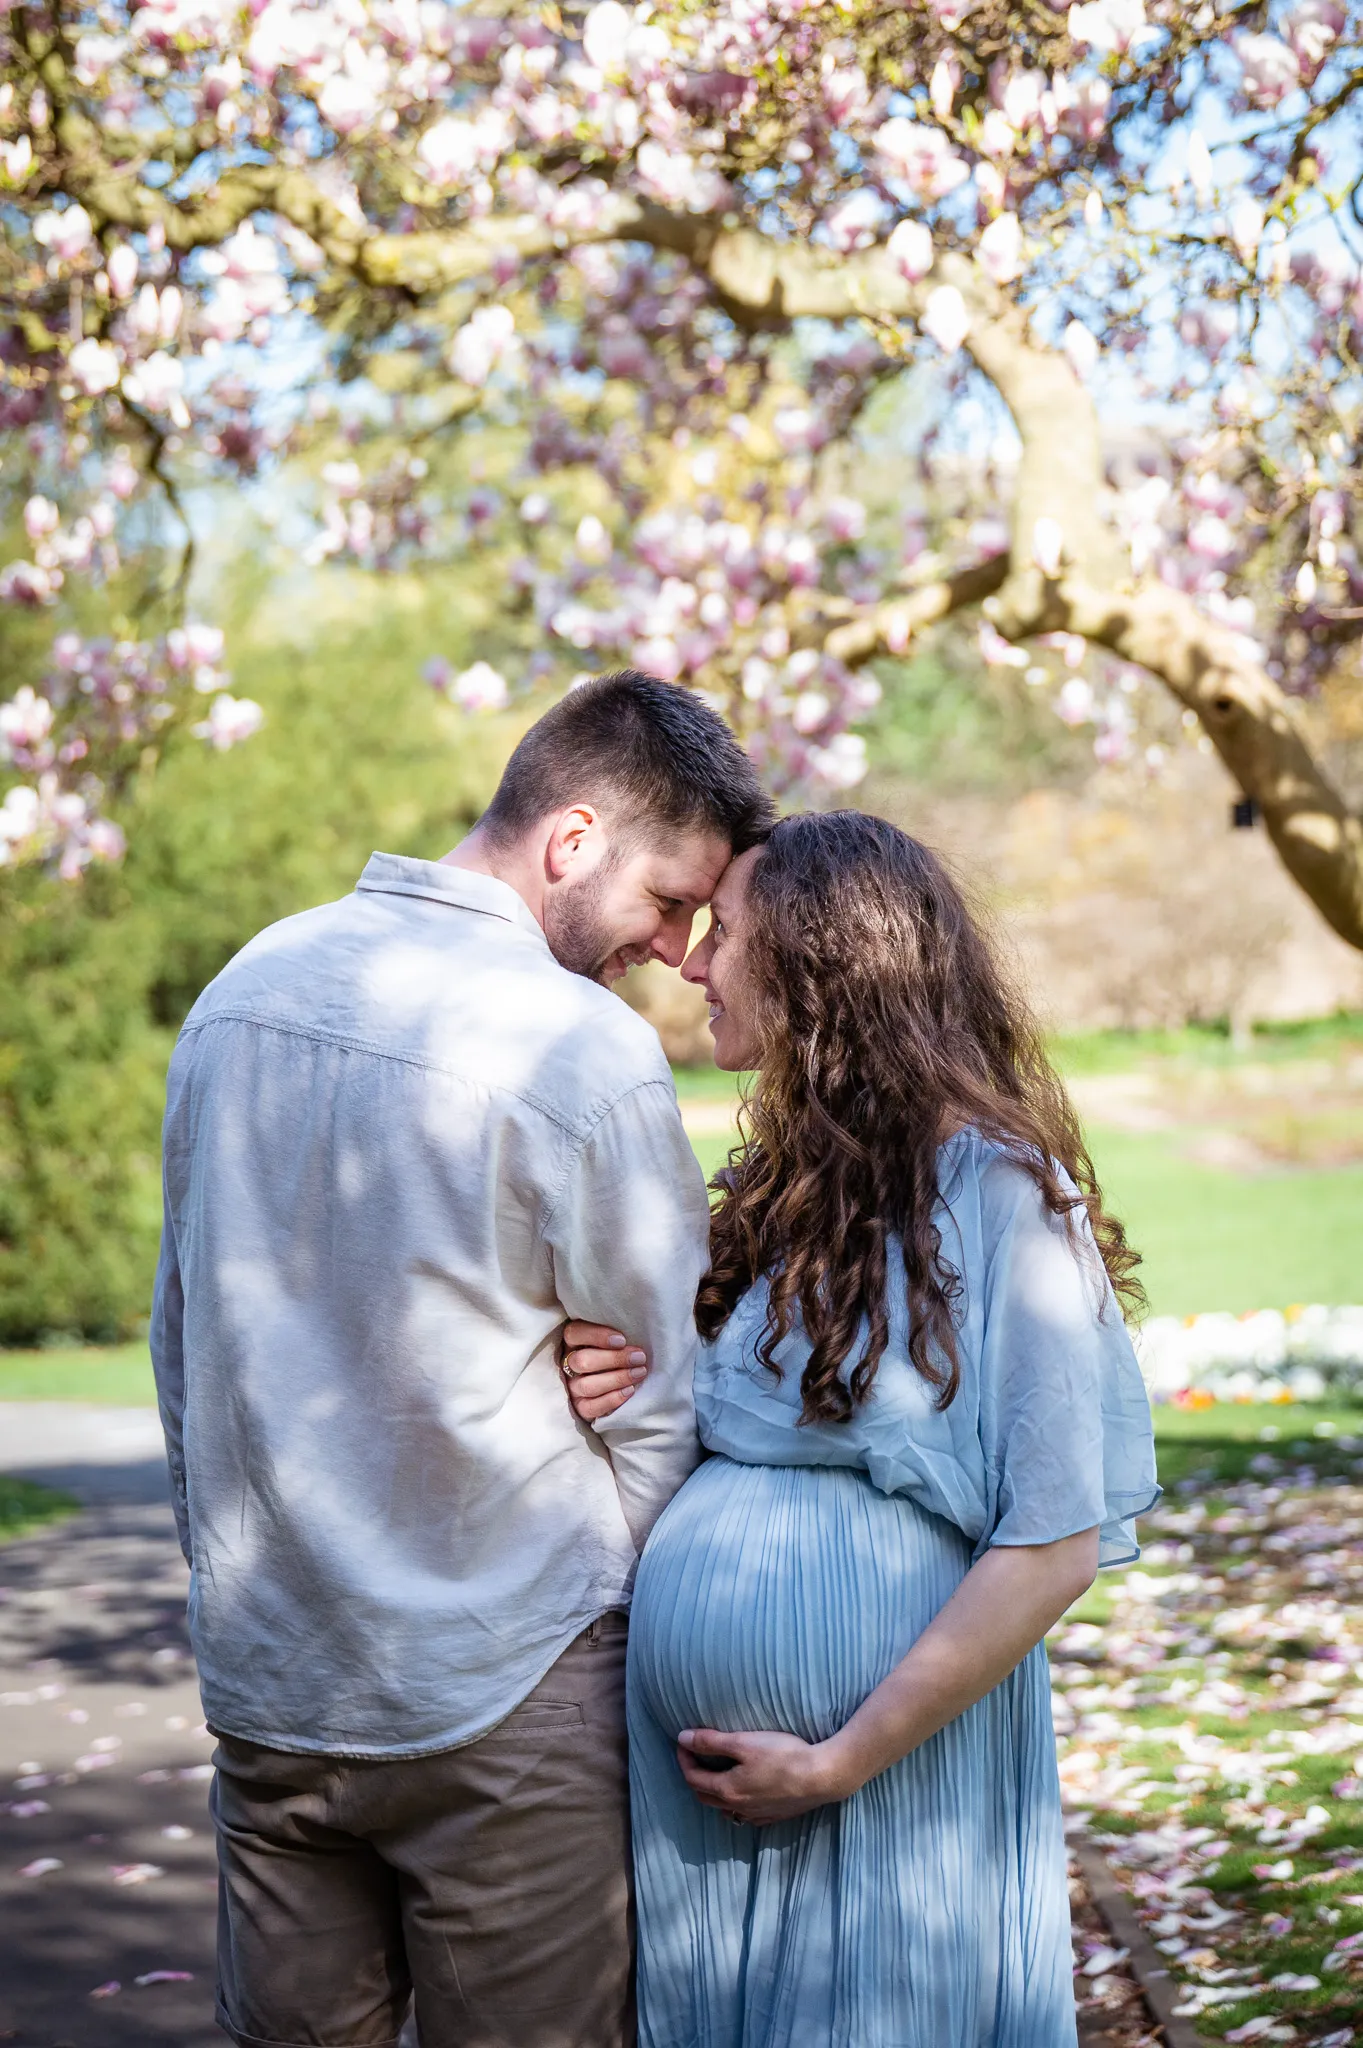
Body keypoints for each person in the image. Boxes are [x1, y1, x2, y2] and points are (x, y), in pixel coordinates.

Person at [149, 670, 773, 2048]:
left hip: (272, 1674)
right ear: (571, 842)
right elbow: (663, 1409)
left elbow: (179, 1339)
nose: (676, 951)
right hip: (509, 1687)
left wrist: (226, 1583)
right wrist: (599, 1609)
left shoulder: (240, 990)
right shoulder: (579, 1051)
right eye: (669, 902)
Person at [562, 811, 1160, 2048]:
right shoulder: (781, 1197)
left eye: (725, 934)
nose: (690, 960)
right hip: (706, 1815)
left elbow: (1053, 1540)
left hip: (889, 1781)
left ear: (823, 964)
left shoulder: (1001, 1191)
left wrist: (838, 1758)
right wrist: (617, 1368)